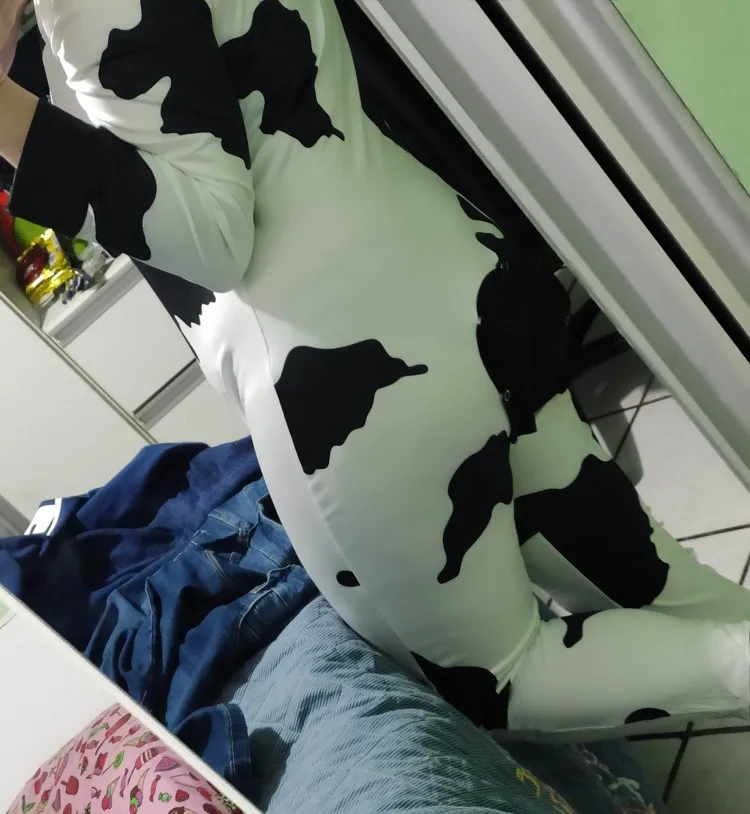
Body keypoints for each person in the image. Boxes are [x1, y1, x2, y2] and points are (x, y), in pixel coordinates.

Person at [2, 0, 750, 738]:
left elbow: (213, 238)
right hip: (446, 266)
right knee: (647, 575)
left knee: (498, 680)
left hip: (345, 368)